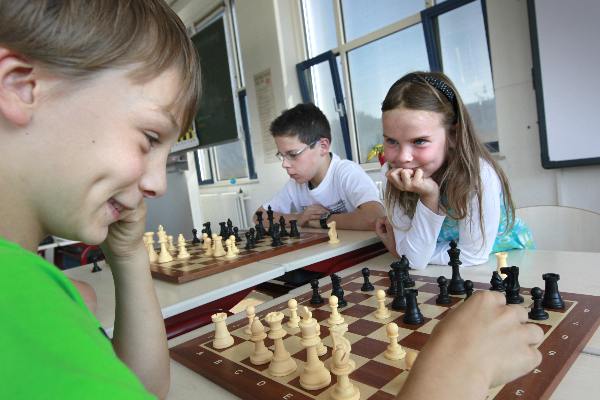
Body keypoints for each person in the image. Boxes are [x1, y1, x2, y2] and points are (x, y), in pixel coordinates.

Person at [0, 1, 200, 398]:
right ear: (19, 87)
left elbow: (141, 389)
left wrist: (127, 255)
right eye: (149, 138)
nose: (157, 185)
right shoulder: (20, 306)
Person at [375, 71, 534, 269]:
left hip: (507, 265)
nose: (402, 157)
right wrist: (429, 197)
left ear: (453, 135)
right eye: (391, 141)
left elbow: (473, 256)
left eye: (419, 141)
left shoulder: (479, 175)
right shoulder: (392, 173)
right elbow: (414, 260)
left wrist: (400, 250)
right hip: (446, 271)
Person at [256, 103, 384, 231]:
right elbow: (259, 217)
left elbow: (375, 217)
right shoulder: (295, 185)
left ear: (323, 146)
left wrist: (324, 220)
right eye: (282, 155)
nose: (284, 164)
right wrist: (299, 218)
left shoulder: (347, 173)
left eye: (293, 154)